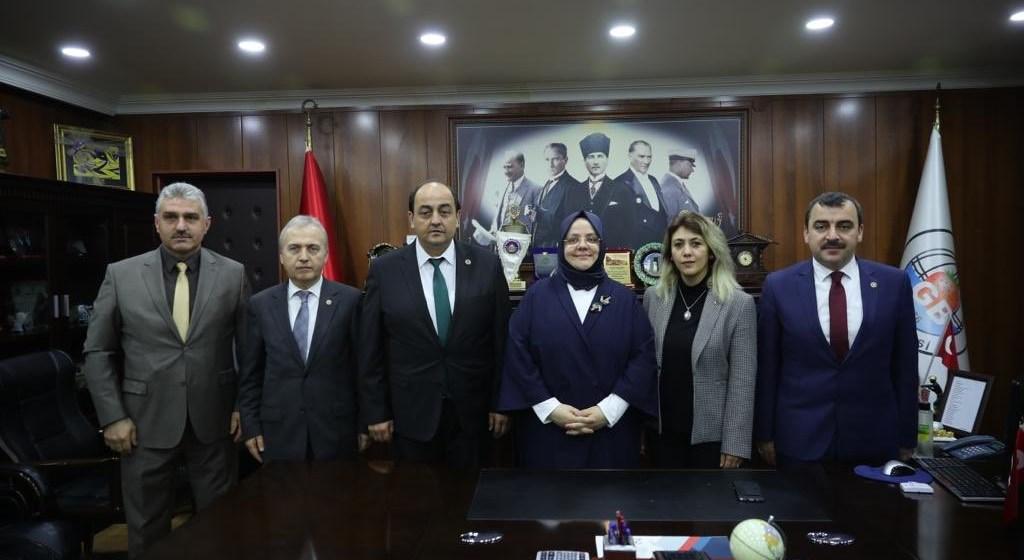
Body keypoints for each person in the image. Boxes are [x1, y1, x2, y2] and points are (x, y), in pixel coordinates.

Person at [82, 182, 248, 557]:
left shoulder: (233, 275)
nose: (181, 226)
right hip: (142, 424)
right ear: (157, 223)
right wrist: (112, 417)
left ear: (207, 224)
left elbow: (248, 348)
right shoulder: (121, 275)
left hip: (215, 421)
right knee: (147, 529)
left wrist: (242, 405)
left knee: (221, 526)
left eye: (190, 217)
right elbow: (98, 350)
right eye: (171, 217)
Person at [755, 192, 917, 466]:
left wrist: (906, 437)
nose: (832, 235)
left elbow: (905, 367)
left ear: (860, 232)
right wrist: (764, 434)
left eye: (844, 226)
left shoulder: (895, 283)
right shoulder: (778, 286)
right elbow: (768, 369)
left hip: (875, 441)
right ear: (806, 233)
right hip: (799, 442)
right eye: (821, 226)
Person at [359, 181, 511, 469]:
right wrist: (376, 412)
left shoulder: (487, 265)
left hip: (474, 415)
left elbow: (501, 341)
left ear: (458, 216)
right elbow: (371, 348)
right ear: (411, 218)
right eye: (426, 212)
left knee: (472, 494)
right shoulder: (384, 270)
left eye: (444, 211)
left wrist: (499, 404)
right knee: (416, 495)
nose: (436, 220)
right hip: (410, 416)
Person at [499, 210, 657, 468]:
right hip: (548, 435)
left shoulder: (625, 300)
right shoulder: (536, 298)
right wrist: (551, 409)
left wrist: (607, 411)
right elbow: (518, 357)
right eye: (573, 240)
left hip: (610, 436)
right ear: (561, 247)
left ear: (601, 246)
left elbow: (643, 358)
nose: (582, 245)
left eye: (591, 239)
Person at [238, 215, 363, 463]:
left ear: (325, 255)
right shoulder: (260, 305)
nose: (304, 257)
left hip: (337, 431)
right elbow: (251, 374)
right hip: (278, 433)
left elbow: (362, 370)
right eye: (294, 248)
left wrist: (364, 424)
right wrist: (250, 426)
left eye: (313, 248)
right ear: (281, 256)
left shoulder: (352, 301)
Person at [642, 211, 756, 468]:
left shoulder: (738, 304)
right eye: (678, 245)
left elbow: (743, 381)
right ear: (670, 254)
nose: (687, 252)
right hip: (661, 434)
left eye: (696, 244)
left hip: (711, 438)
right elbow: (645, 367)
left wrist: (734, 443)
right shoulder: (654, 298)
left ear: (711, 251)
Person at [563, 132, 634, 249]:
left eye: (600, 156)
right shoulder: (572, 192)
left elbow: (630, 229)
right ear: (584, 161)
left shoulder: (622, 190)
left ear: (607, 159)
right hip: (582, 252)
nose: (595, 162)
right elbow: (568, 228)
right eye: (591, 157)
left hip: (612, 253)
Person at [473, 151, 539, 246]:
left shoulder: (535, 190)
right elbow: (499, 217)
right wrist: (492, 232)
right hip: (497, 248)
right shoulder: (501, 187)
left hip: (519, 249)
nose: (506, 172)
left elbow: (536, 226)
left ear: (522, 165)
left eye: (509, 167)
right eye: (504, 167)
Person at [615, 140, 669, 248]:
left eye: (649, 157)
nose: (646, 161)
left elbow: (661, 213)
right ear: (630, 156)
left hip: (661, 244)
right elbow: (620, 225)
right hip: (637, 246)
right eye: (641, 156)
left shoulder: (653, 180)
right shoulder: (619, 183)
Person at [530, 143, 583, 248]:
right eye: (547, 160)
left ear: (565, 160)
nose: (550, 164)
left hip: (555, 249)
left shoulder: (574, 187)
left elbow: (572, 226)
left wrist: (540, 216)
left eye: (555, 159)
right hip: (538, 246)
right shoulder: (547, 183)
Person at [660, 148, 701, 219]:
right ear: (679, 164)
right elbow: (671, 221)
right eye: (690, 165)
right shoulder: (669, 188)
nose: (692, 170)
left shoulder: (676, 183)